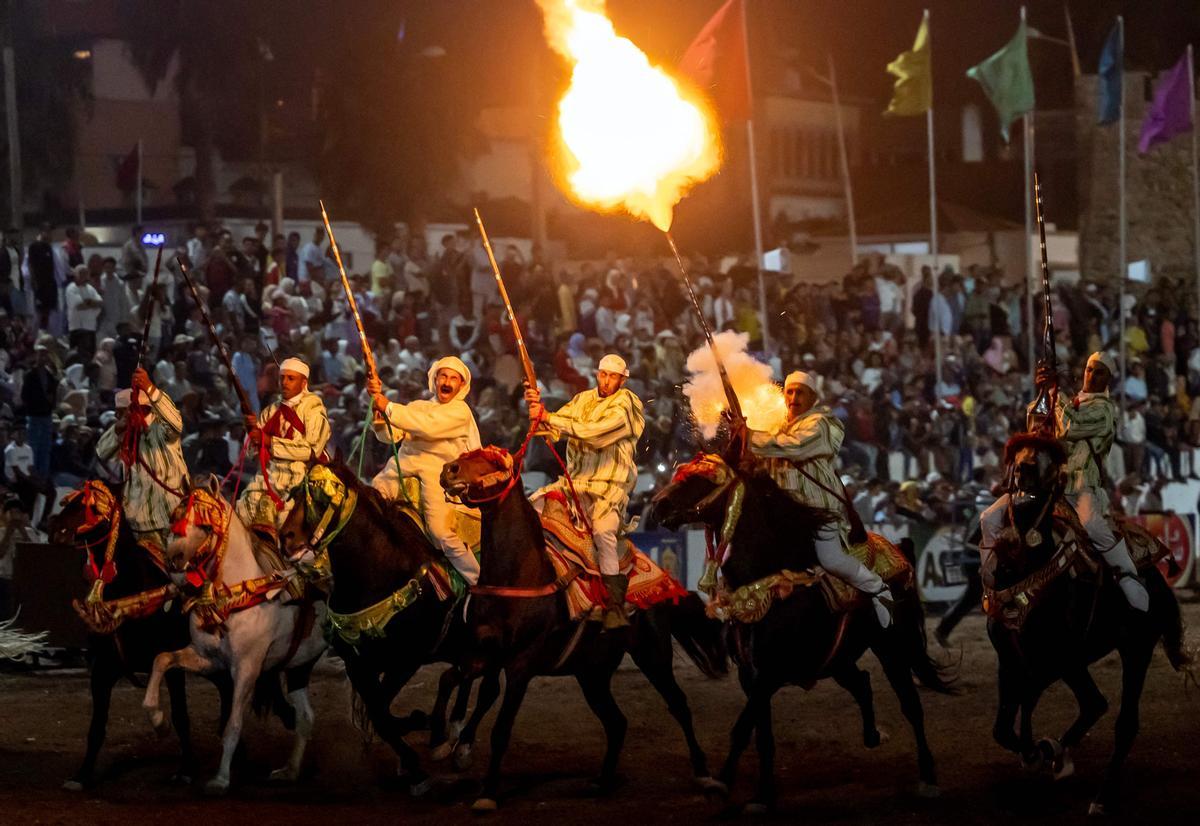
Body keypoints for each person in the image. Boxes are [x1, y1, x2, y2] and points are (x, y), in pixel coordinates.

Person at [979, 351, 1149, 611]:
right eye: (1090, 369)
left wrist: (1055, 392)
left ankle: (1128, 576)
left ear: (1109, 379)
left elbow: (1070, 427)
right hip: (1047, 486)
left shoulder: (1104, 410)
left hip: (1081, 487)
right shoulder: (1069, 401)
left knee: (1093, 527)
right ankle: (992, 580)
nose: (1092, 375)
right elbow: (1034, 424)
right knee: (989, 518)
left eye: (1099, 371)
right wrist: (1043, 392)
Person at [747, 371, 894, 627]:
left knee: (831, 559)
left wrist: (748, 435)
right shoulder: (776, 427)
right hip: (784, 514)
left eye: (800, 392)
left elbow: (795, 447)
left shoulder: (823, 423)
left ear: (813, 397)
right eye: (789, 391)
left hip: (818, 510)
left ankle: (878, 589)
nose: (793, 397)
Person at [525, 353, 644, 629]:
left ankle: (615, 606)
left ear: (622, 379)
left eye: (612, 376)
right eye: (603, 374)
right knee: (533, 509)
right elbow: (553, 427)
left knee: (603, 532)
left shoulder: (628, 403)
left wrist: (550, 418)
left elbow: (596, 433)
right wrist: (536, 412)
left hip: (608, 488)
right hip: (572, 485)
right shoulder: (582, 399)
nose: (606, 380)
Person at [366, 356, 481, 586]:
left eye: (453, 378)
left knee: (439, 532)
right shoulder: (418, 406)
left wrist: (387, 406)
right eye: (443, 376)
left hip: (438, 475)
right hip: (402, 467)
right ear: (435, 379)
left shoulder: (461, 411)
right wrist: (378, 412)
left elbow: (427, 426)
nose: (447, 382)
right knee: (369, 506)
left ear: (461, 385)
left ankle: (477, 580)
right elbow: (392, 435)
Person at [94, 367, 188, 550]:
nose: (119, 417)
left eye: (122, 413)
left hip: (172, 516)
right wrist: (118, 429)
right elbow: (101, 452)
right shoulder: (125, 435)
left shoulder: (161, 429)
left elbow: (176, 423)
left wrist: (150, 388)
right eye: (119, 414)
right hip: (137, 522)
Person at [236, 357, 330, 538]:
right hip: (266, 480)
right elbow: (252, 454)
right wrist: (252, 433)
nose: (284, 383)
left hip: (300, 481)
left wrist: (269, 441)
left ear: (304, 383)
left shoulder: (314, 410)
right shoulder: (270, 411)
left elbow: (310, 451)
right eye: (282, 378)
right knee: (241, 515)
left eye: (291, 378)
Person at [65, 264, 103, 357]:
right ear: (76, 275)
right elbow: (79, 305)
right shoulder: (72, 288)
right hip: (77, 328)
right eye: (81, 274)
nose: (84, 276)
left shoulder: (91, 289)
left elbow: (100, 303)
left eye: (86, 274)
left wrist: (88, 302)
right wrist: (91, 303)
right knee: (76, 356)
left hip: (90, 328)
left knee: (90, 355)